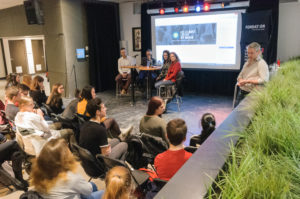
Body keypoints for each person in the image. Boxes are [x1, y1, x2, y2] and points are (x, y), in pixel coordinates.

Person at [30, 138, 104, 199]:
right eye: (68, 151)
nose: (71, 153)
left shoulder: (38, 172)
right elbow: (88, 190)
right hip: (73, 192)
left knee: (92, 185)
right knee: (104, 192)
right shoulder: (70, 177)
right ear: (63, 159)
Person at [235, 42, 269, 106]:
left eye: (252, 53)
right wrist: (240, 80)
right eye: (248, 53)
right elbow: (240, 76)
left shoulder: (261, 64)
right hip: (242, 91)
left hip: (252, 94)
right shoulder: (247, 63)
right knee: (236, 113)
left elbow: (264, 80)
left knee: (247, 115)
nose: (249, 55)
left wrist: (247, 81)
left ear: (258, 52)